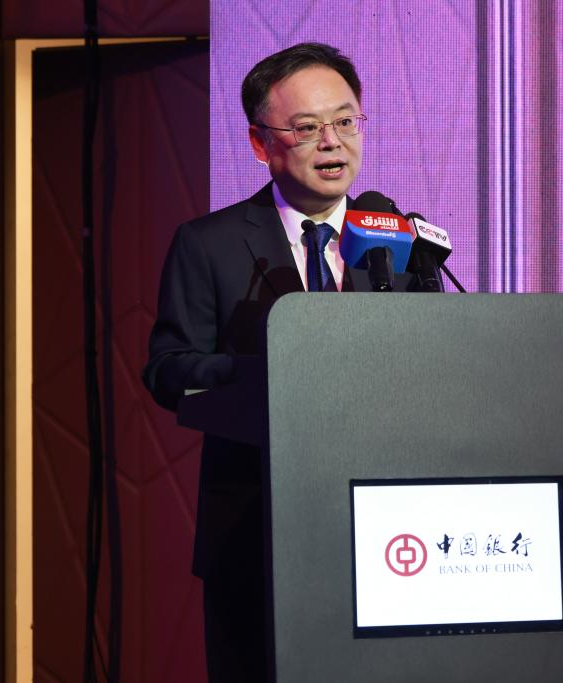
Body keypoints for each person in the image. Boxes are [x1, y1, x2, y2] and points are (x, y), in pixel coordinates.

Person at [143, 42, 414, 682]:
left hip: (389, 533)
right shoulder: (209, 243)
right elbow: (168, 368)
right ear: (261, 144)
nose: (332, 142)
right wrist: (259, 374)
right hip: (255, 528)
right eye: (307, 127)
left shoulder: (397, 239)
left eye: (345, 121)